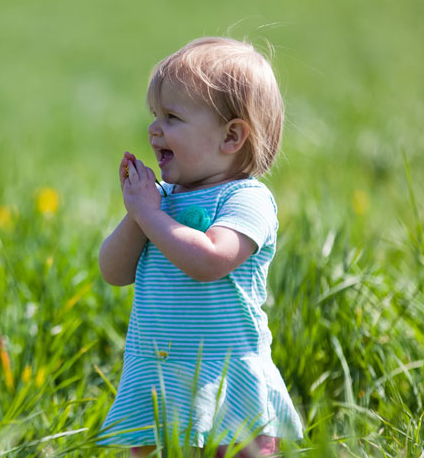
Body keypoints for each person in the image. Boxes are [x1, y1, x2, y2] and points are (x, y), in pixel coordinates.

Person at [97, 37, 303, 457]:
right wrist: (140, 213)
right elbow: (113, 272)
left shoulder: (246, 199)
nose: (154, 129)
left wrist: (152, 216)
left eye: (172, 117)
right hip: (159, 373)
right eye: (155, 116)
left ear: (231, 137)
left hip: (225, 376)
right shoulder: (162, 200)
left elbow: (211, 259)